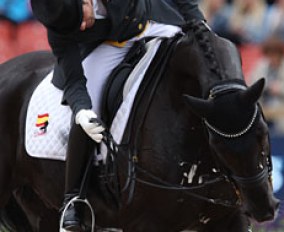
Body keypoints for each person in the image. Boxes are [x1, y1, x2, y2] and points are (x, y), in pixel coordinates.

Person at [30, 0, 205, 231]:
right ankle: (74, 199)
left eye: (81, 18)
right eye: (74, 26)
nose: (81, 26)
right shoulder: (59, 23)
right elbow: (73, 78)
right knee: (89, 103)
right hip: (108, 45)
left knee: (210, 68)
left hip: (159, 22)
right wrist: (82, 110)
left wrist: (198, 22)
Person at [249, 36, 284, 134]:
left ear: (281, 54)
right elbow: (249, 88)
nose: (272, 58)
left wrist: (281, 89)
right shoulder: (260, 66)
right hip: (263, 111)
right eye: (269, 55)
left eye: (275, 55)